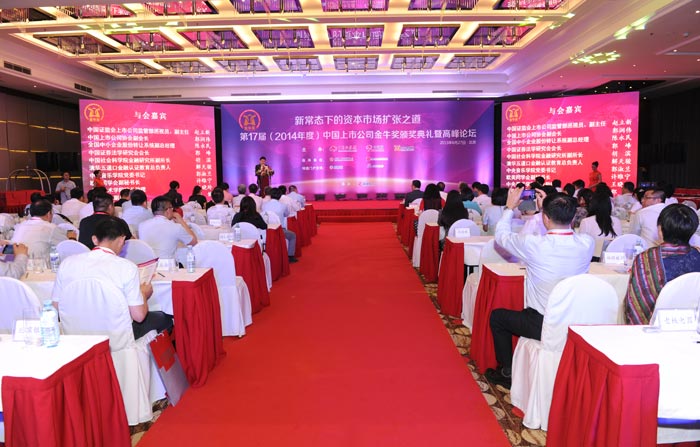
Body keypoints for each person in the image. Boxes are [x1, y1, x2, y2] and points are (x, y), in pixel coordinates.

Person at [486, 189, 594, 389]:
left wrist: (509, 208)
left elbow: (501, 236)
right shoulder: (587, 243)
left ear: (545, 218)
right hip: (575, 320)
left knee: (497, 317)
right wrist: (548, 210)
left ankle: (506, 371)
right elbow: (568, 234)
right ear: (572, 217)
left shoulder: (534, 245)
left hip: (543, 323)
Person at [52, 217, 173, 340]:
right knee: (166, 319)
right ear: (121, 240)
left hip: (76, 334)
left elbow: (56, 308)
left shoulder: (67, 264)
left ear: (94, 239)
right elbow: (139, 316)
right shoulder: (127, 267)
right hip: (117, 337)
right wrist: (143, 294)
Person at [625, 204, 700, 325]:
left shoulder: (646, 259)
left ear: (660, 229)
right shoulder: (697, 254)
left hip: (656, 326)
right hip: (694, 325)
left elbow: (636, 303)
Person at [11, 199, 75, 258]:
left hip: (19, 263)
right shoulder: (51, 228)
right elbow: (68, 249)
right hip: (40, 265)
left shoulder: (20, 226)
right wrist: (72, 238)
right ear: (49, 214)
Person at [262, 188, 298, 262]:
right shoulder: (283, 206)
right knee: (293, 235)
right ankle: (290, 256)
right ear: (280, 196)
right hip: (279, 230)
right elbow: (286, 214)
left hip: (266, 229)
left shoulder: (264, 205)